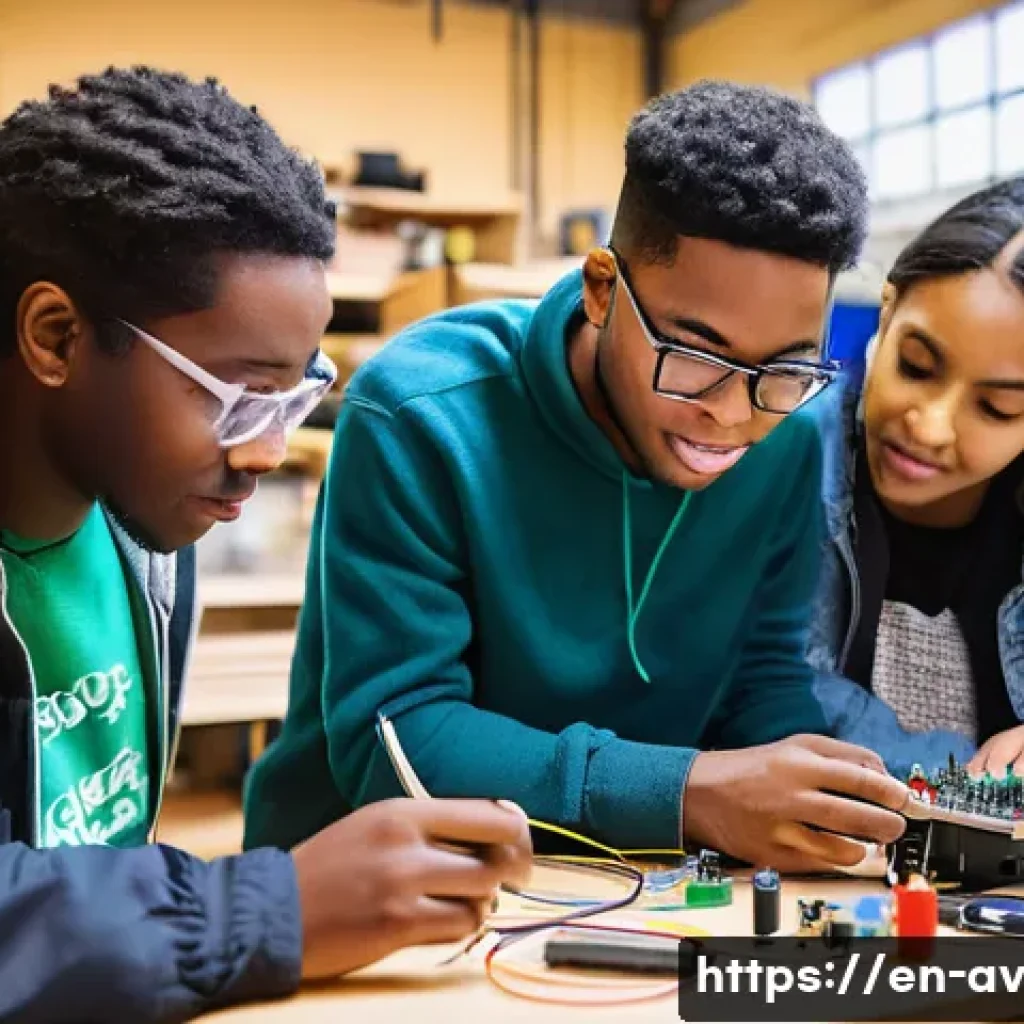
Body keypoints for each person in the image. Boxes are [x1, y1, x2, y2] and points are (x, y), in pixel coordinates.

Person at [245, 80, 912, 874]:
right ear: (603, 289)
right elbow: (398, 741)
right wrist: (692, 792)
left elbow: (759, 683)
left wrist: (816, 793)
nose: (734, 415)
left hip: (634, 877)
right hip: (372, 891)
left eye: (786, 368)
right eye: (694, 358)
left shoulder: (790, 440)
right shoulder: (423, 412)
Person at [0, 66, 532, 1023]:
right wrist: (255, 907)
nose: (268, 451)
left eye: (294, 394)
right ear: (55, 336)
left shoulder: (145, 533)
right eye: (237, 394)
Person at [805, 177, 1024, 782]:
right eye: (917, 367)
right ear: (887, 311)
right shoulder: (782, 463)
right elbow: (773, 703)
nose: (928, 428)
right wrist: (977, 781)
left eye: (997, 408)